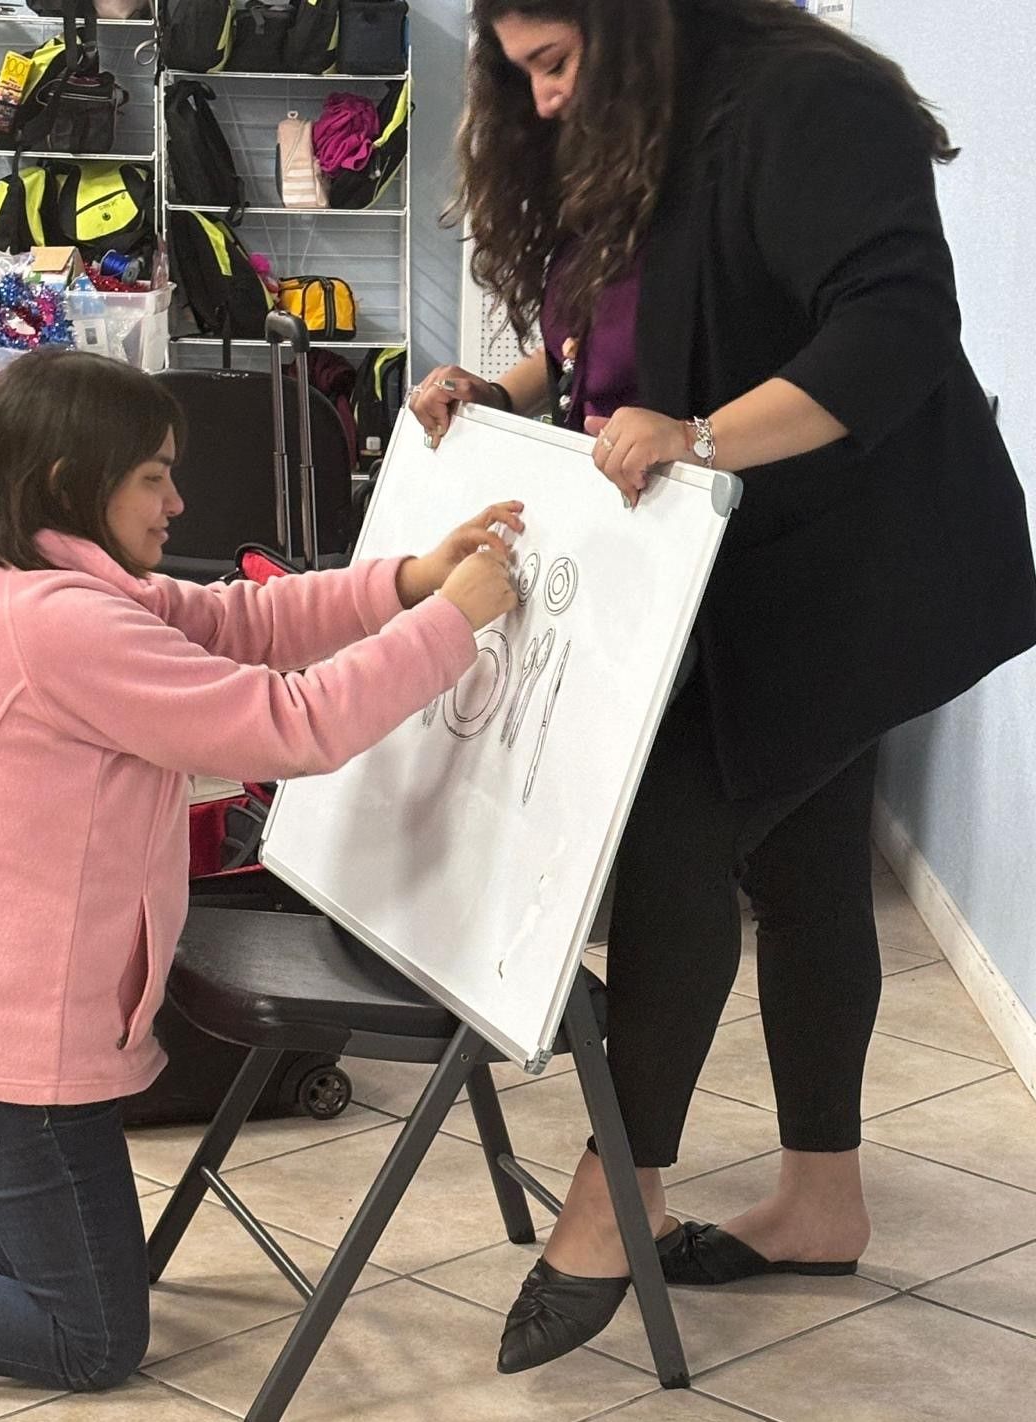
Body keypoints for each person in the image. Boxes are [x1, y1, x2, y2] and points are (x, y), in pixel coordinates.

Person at [410, 0, 1036, 1375]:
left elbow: (898, 328)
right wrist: (502, 385)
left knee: (678, 823)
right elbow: (621, 337)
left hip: (865, 558)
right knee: (811, 857)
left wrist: (698, 435)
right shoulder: (641, 118)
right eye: (523, 78)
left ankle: (618, 1185)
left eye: (560, 65)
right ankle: (822, 1200)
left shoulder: (806, 104)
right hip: (748, 557)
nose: (549, 104)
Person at [0, 348, 520, 1390]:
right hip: (5, 1043)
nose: (177, 500)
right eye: (154, 475)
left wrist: (410, 581)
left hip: (5, 1023)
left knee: (63, 1265)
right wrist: (447, 623)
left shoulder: (53, 577)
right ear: (73, 482)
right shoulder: (63, 623)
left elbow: (239, 622)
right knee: (92, 1337)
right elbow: (290, 723)